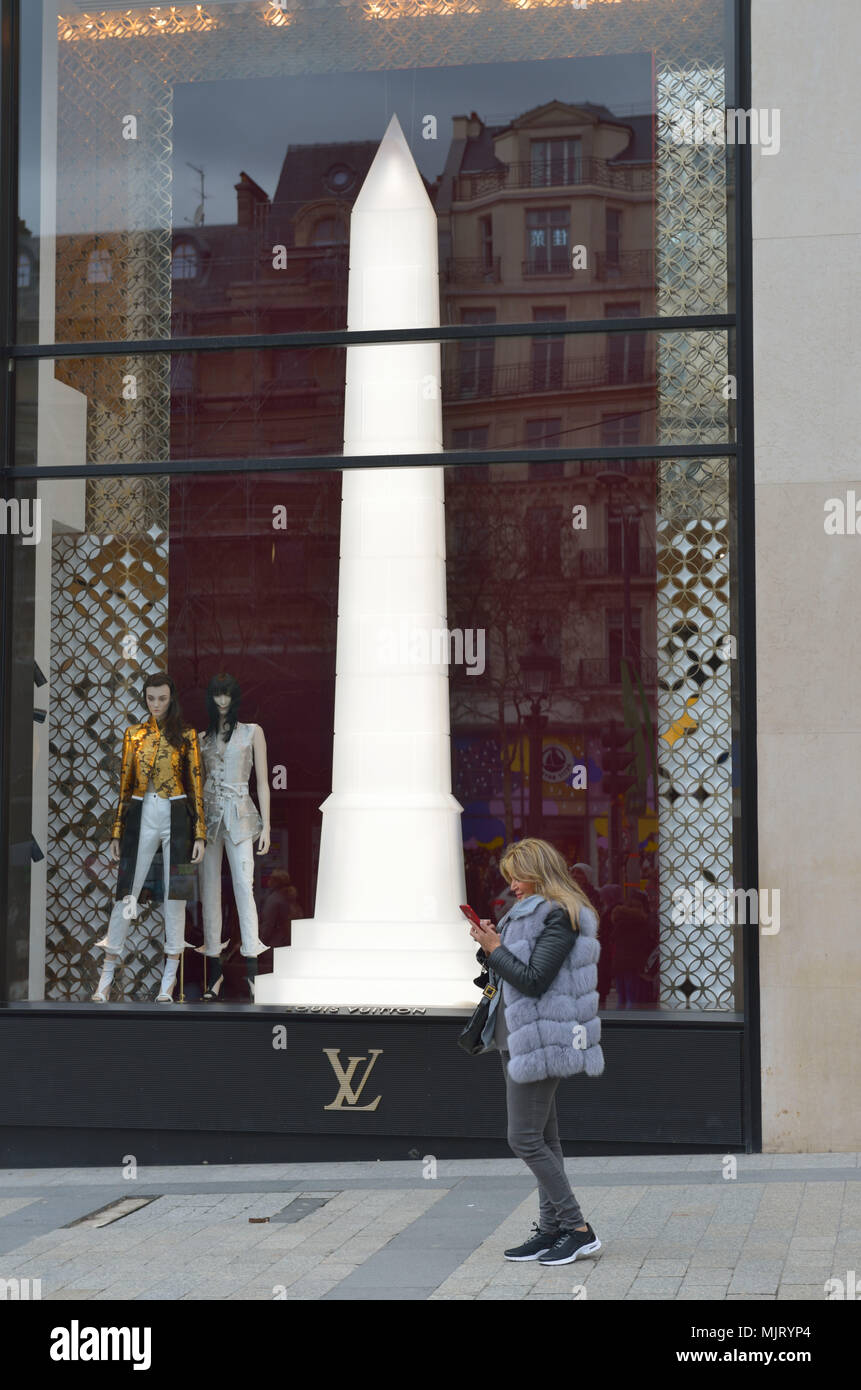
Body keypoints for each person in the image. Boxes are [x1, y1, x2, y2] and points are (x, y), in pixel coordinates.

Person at [469, 837, 604, 1267]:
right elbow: (507, 969)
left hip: (545, 1038)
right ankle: (551, 1231)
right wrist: (488, 943)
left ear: (539, 872)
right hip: (517, 1034)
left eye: (518, 876)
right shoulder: (524, 913)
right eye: (509, 877)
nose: (513, 885)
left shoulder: (561, 915)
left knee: (523, 1138)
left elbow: (533, 979)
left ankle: (577, 1228)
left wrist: (496, 949)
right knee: (545, 1137)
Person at [93, 672, 206, 1003]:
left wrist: (199, 833)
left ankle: (168, 981)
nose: (156, 704)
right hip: (142, 813)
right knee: (127, 890)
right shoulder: (134, 735)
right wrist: (117, 830)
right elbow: (124, 787)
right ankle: (106, 975)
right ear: (145, 698)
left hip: (179, 817)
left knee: (177, 893)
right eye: (151, 698)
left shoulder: (187, 736)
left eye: (162, 698)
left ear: (171, 699)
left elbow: (196, 784)